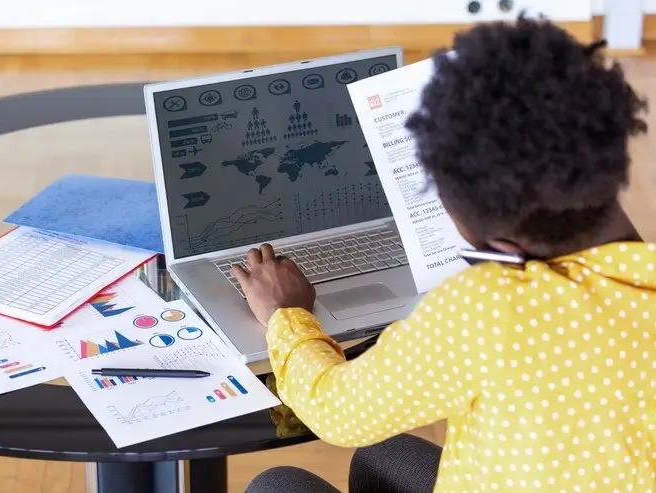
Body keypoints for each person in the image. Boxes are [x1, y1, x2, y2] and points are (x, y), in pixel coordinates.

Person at [235, 15, 656, 493]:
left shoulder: (489, 309)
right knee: (385, 454)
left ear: (501, 246)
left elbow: (337, 412)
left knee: (279, 484)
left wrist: (285, 315)